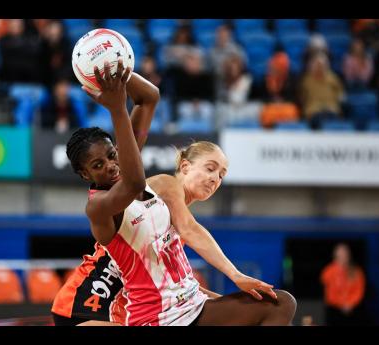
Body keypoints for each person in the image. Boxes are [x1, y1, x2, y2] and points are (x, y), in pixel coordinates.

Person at [52, 61, 296, 326]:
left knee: (280, 303)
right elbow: (137, 187)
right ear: (185, 166)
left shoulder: (135, 178)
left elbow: (149, 98)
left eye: (221, 174)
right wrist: (117, 107)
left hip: (169, 305)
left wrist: (116, 71)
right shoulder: (106, 202)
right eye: (210, 168)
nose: (111, 166)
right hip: (89, 305)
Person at [320, 242, 366, 326]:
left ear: (349, 255)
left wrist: (350, 304)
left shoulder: (356, 271)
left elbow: (359, 291)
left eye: (345, 253)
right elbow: (329, 293)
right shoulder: (328, 271)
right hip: (334, 310)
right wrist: (341, 304)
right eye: (340, 253)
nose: (343, 256)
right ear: (335, 255)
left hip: (352, 309)